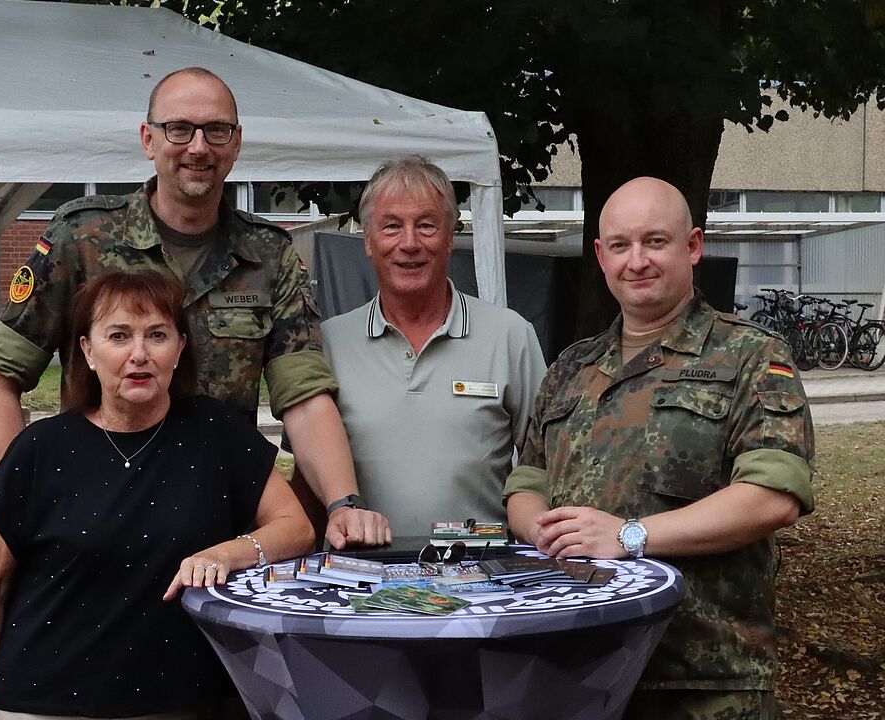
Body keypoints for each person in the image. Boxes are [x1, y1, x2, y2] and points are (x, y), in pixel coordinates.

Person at [0, 66, 389, 549]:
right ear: (149, 139)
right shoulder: (81, 238)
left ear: (235, 143)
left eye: (216, 130)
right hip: (97, 528)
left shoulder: (269, 255)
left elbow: (305, 397)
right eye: (179, 129)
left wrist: (343, 503)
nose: (198, 147)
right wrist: (25, 503)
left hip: (222, 535)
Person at [504, 177, 815, 719]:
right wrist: (543, 532)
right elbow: (527, 484)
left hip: (700, 679)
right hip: (576, 668)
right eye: (620, 245)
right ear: (600, 256)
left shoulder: (750, 356)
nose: (637, 261)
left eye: (655, 241)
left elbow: (772, 495)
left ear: (693, 246)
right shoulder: (571, 368)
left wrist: (629, 536)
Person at [0, 271, 313, 720]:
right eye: (119, 336)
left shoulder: (217, 434)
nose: (139, 355)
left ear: (180, 347)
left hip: (183, 701)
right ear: (88, 351)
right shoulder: (40, 448)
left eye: (157, 335)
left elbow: (297, 528)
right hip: (42, 701)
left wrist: (229, 553)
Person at [299, 155, 545, 538]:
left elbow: (545, 463)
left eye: (427, 225)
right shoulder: (327, 343)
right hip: (361, 578)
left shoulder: (510, 336)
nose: (409, 243)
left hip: (480, 578)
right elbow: (306, 476)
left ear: (450, 237)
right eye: (391, 226)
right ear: (367, 240)